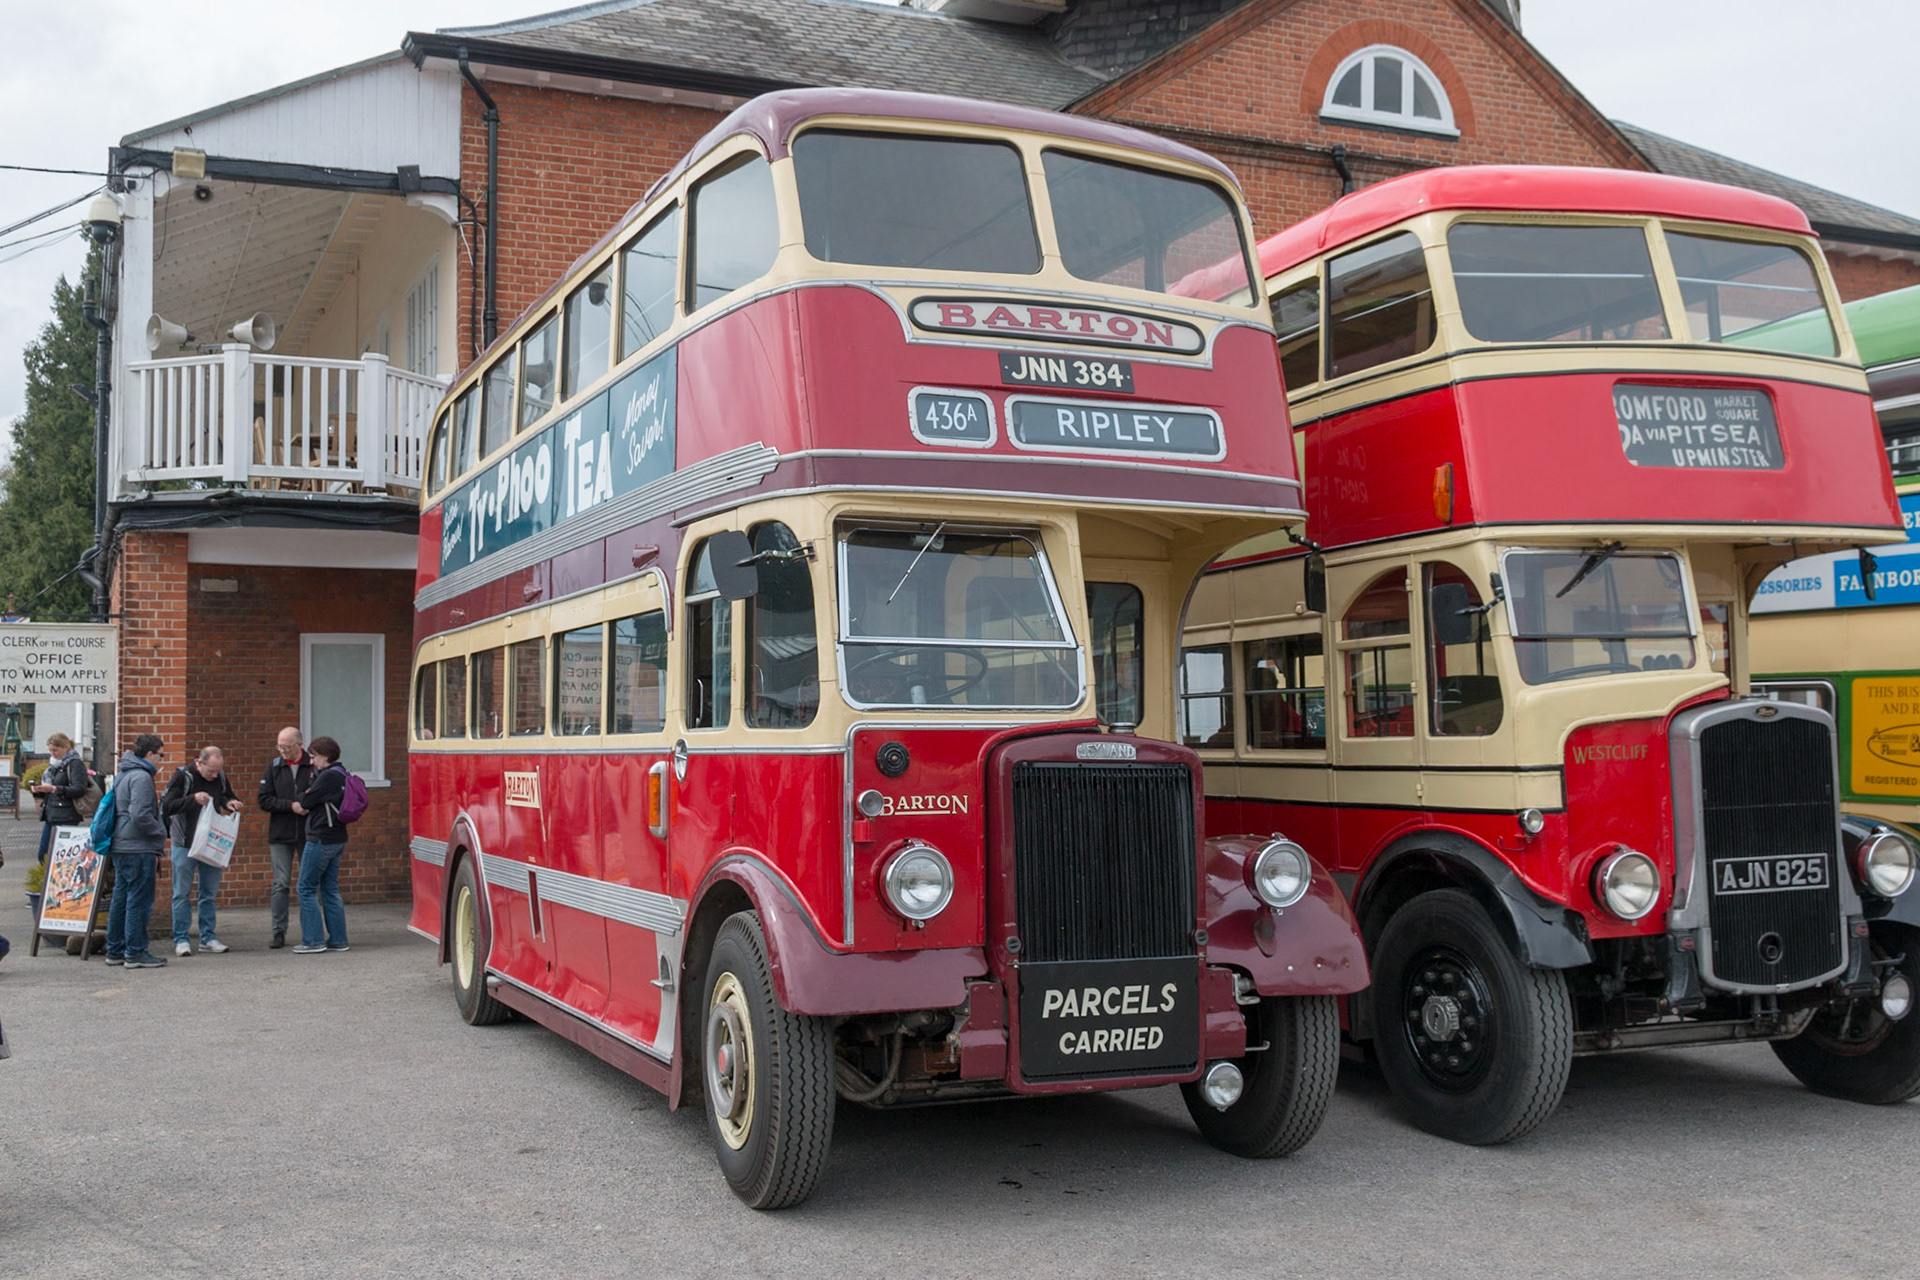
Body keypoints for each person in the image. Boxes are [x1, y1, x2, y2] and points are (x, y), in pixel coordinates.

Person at [160, 745, 244, 956]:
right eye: (211, 771)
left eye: (218, 771)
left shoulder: (219, 777)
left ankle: (208, 937)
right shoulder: (183, 776)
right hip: (185, 841)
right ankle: (181, 938)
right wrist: (193, 799)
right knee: (181, 893)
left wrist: (230, 802)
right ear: (199, 762)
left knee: (209, 893)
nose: (214, 775)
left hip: (210, 842)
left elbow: (225, 795)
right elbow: (167, 805)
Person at [105, 734, 169, 969]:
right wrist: (159, 831)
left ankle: (115, 950)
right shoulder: (141, 777)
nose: (161, 760)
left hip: (121, 844)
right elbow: (140, 814)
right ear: (149, 754)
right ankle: (135, 951)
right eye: (160, 755)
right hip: (138, 846)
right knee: (139, 900)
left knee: (121, 898)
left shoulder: (124, 773)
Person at [256, 726, 315, 949]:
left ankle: (311, 931)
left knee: (307, 883)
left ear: (300, 745)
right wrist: (291, 806)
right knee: (281, 883)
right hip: (280, 834)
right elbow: (264, 800)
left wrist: (307, 805)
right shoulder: (274, 767)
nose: (282, 751)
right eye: (279, 747)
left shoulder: (312, 765)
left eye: (287, 747)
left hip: (308, 832)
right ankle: (278, 931)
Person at [290, 735, 349, 954]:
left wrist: (306, 795)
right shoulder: (342, 773)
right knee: (330, 888)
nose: (312, 761)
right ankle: (338, 939)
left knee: (305, 888)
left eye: (314, 757)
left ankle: (313, 940)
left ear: (325, 756)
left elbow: (305, 801)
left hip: (321, 837)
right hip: (338, 837)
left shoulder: (327, 777)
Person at [31, 732, 91, 869]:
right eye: (50, 750)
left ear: (65, 747)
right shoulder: (53, 766)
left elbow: (80, 789)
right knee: (44, 855)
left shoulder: (75, 764)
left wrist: (55, 789)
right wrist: (39, 791)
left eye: (55, 750)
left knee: (62, 856)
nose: (52, 753)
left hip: (67, 815)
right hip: (51, 814)